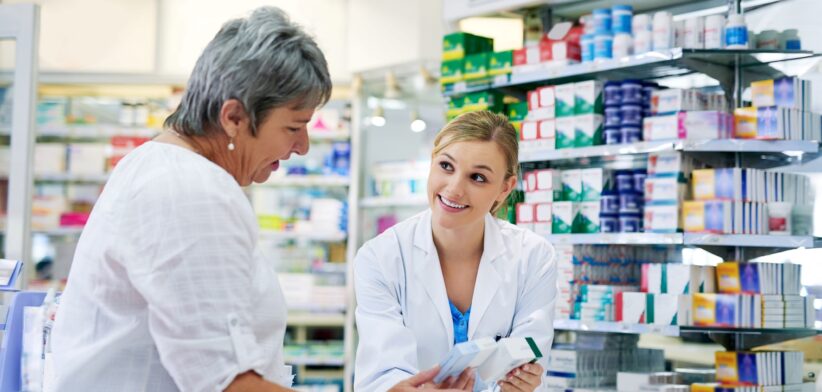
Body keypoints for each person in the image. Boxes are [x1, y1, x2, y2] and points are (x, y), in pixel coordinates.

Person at [51, 7, 334, 391]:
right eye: (294, 127)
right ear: (234, 117)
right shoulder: (188, 190)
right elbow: (226, 383)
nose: (302, 147)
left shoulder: (162, 167)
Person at [354, 110, 558, 391]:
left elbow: (532, 362)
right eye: (446, 166)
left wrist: (521, 383)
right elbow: (380, 374)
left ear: (505, 188)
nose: (454, 189)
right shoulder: (381, 257)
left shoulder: (533, 256)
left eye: (477, 177)